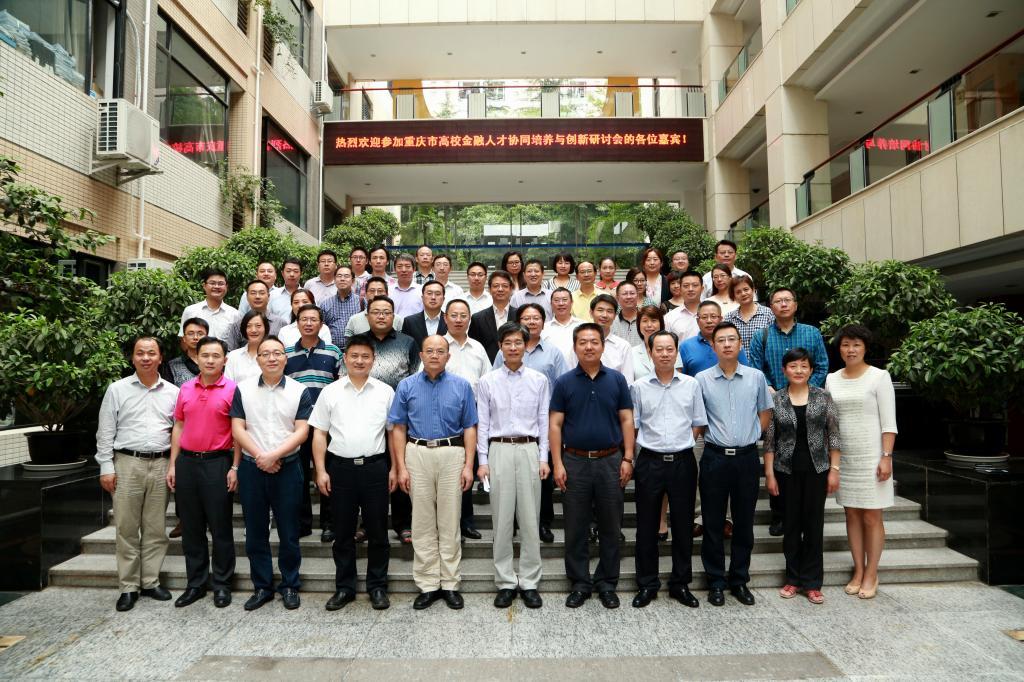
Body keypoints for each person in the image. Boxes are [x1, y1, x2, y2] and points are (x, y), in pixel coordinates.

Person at [389, 335, 479, 610]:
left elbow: (470, 427)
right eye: (429, 350)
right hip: (417, 453)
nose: (435, 355)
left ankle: (450, 583)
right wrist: (401, 467)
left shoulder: (462, 386)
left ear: (448, 357)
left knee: (450, 520)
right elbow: (398, 428)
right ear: (421, 355)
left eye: (441, 351)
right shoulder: (406, 386)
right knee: (422, 521)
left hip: (452, 453)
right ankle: (428, 584)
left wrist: (468, 465)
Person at [550, 323, 635, 609]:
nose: (589, 347)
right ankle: (580, 583)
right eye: (583, 342)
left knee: (611, 525)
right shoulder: (564, 382)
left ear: (602, 346)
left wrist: (628, 457)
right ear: (575, 347)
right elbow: (555, 424)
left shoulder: (617, 380)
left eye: (594, 342)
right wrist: (558, 463)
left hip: (610, 460)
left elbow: (627, 419)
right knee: (575, 526)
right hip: (574, 461)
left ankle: (607, 583)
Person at [310, 334, 395, 612]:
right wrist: (320, 470)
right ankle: (344, 587)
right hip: (340, 469)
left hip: (375, 468)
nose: (359, 361)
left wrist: (396, 468)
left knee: (378, 531)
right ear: (345, 359)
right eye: (354, 356)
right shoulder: (330, 392)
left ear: (373, 360)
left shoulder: (385, 392)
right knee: (343, 531)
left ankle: (377, 586)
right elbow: (319, 434)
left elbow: (393, 434)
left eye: (365, 356)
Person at [95, 337, 179, 612]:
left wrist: (173, 465)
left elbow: (177, 431)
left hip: (160, 463)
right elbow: (105, 431)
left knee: (155, 528)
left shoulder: (173, 392)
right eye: (140, 353)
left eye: (151, 353)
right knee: (127, 528)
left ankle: (151, 581)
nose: (145, 357)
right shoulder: (117, 390)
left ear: (160, 358)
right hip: (127, 463)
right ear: (132, 358)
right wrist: (106, 466)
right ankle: (128, 586)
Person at [230, 336, 313, 611]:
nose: (272, 358)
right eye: (265, 354)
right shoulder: (243, 389)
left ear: (285, 358)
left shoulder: (299, 390)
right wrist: (261, 457)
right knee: (255, 531)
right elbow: (238, 428)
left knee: (289, 531)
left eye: (277, 353)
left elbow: (302, 431)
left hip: (287, 468)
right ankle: (262, 586)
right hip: (252, 469)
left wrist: (274, 455)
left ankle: (289, 585)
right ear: (258, 359)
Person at [696, 322, 773, 607]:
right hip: (714, 457)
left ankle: (739, 579)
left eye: (732, 339)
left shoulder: (756, 377)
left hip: (746, 458)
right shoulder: (701, 379)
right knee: (712, 522)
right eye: (721, 340)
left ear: (740, 344)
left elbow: (765, 413)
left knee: (744, 522)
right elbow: (698, 418)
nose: (727, 344)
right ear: (713, 345)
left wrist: (749, 436)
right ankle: (715, 581)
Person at [630, 330, 706, 609]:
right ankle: (647, 583)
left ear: (676, 352)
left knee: (684, 525)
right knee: (646, 525)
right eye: (658, 349)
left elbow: (698, 423)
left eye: (669, 349)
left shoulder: (691, 384)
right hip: (649, 461)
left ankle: (680, 583)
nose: (664, 354)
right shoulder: (638, 387)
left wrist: (680, 444)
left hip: (683, 462)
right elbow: (634, 425)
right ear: (650, 353)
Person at [477, 323, 550, 609]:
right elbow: (483, 424)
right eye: (507, 342)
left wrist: (543, 458)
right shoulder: (487, 381)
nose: (513, 347)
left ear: (526, 345)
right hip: (499, 450)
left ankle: (530, 581)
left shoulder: (539, 380)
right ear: (500, 346)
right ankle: (505, 581)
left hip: (530, 448)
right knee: (502, 518)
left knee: (530, 519)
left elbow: (544, 420)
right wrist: (483, 461)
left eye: (518, 342)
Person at [764, 348, 842, 605]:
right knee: (791, 525)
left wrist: (834, 470)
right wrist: (769, 474)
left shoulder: (823, 397)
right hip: (785, 470)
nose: (798, 370)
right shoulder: (777, 399)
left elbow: (834, 435)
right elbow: (770, 441)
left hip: (817, 470)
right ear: (784, 370)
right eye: (793, 366)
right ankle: (793, 578)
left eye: (804, 366)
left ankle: (812, 582)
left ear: (811, 370)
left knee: (813, 526)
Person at [826, 325, 897, 601]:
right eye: (845, 345)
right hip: (844, 457)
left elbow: (889, 422)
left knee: (871, 516)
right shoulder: (832, 379)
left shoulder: (879, 377)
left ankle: (871, 573)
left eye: (856, 344)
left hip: (872, 456)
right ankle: (858, 570)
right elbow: (830, 423)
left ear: (865, 347)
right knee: (852, 514)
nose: (851, 350)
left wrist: (886, 457)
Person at [166, 336, 237, 609]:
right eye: (205, 355)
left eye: (215, 356)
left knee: (220, 526)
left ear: (224, 360)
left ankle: (222, 584)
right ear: (196, 358)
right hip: (187, 463)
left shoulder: (233, 390)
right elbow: (179, 426)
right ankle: (195, 583)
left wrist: (235, 467)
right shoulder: (185, 389)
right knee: (191, 527)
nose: (209, 360)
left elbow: (239, 431)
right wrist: (173, 464)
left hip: (217, 463)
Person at [347, 296, 420, 545]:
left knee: (400, 468)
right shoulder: (358, 343)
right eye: (376, 312)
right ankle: (366, 524)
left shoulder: (407, 342)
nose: (381, 316)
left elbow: (415, 379)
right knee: (369, 474)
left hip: (400, 418)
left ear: (393, 316)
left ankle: (403, 523)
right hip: (364, 416)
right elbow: (345, 375)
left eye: (386, 312)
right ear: (367, 315)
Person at [493, 303, 568, 544]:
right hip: (510, 423)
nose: (532, 322)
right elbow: (495, 384)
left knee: (542, 478)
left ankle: (543, 522)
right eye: (526, 318)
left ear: (544, 322)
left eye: (536, 318)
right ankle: (513, 524)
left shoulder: (554, 352)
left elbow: (562, 386)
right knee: (510, 484)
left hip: (544, 422)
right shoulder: (505, 351)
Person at [285, 304, 342, 542]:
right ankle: (303, 523)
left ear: (321, 324)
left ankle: (329, 523)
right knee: (298, 475)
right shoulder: (287, 353)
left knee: (327, 472)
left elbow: (341, 386)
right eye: (304, 319)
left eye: (313, 319)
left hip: (327, 425)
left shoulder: (334, 352)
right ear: (297, 323)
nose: (308, 323)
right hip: (297, 424)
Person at [749, 288, 829, 392]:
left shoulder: (812, 333)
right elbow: (756, 369)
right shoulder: (760, 336)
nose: (783, 304)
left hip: (808, 396)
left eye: (787, 300)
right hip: (773, 396)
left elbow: (822, 366)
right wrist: (768, 388)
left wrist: (808, 388)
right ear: (771, 308)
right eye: (778, 301)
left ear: (795, 305)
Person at [572, 294, 635, 382]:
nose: (605, 315)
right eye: (600, 310)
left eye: (609, 311)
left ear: (615, 316)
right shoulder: (580, 344)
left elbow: (627, 381)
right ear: (591, 313)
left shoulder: (623, 346)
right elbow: (572, 375)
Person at [680, 301, 750, 376]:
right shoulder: (686, 346)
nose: (709, 321)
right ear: (698, 321)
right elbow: (682, 378)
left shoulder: (732, 344)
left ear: (721, 319)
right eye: (704, 317)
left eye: (713, 316)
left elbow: (745, 372)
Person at [179, 268, 241, 349]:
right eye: (212, 283)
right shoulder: (190, 311)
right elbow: (183, 340)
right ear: (204, 286)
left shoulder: (235, 314)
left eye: (221, 283)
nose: (216, 286)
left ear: (226, 287)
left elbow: (238, 343)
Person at [469, 270, 518, 363]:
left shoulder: (520, 315)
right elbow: (474, 347)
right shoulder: (478, 318)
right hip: (487, 367)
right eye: (496, 286)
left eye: (505, 286)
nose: (500, 289)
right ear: (489, 289)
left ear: (511, 289)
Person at [442, 299, 490, 387]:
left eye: (463, 316)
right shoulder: (436, 345)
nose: (458, 320)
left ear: (470, 318)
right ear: (445, 318)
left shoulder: (478, 347)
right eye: (454, 315)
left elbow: (488, 380)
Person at [631, 305, 682, 381]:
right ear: (639, 325)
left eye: (653, 320)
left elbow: (677, 380)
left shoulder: (671, 349)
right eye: (645, 321)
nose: (649, 325)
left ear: (661, 324)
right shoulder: (632, 352)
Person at [724, 275, 774, 352]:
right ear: (734, 296)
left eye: (746, 289)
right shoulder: (729, 318)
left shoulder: (768, 313)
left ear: (753, 290)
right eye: (738, 292)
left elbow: (774, 340)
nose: (743, 294)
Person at [320, 265, 362, 351]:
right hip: (333, 351)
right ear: (334, 280)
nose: (342, 279)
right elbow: (322, 329)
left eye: (346, 276)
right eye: (339, 276)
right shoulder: (325, 304)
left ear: (353, 280)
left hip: (357, 350)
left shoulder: (361, 302)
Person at [402, 280, 448, 351]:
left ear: (443, 299)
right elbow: (405, 349)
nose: (433, 297)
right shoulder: (409, 322)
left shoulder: (450, 321)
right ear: (422, 297)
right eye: (429, 293)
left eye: (437, 294)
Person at [544, 287, 585, 366]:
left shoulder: (583, 326)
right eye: (556, 300)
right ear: (551, 304)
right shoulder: (544, 329)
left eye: (565, 299)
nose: (561, 303)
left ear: (572, 303)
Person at [226, 311, 268, 384]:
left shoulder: (272, 356)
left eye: (258, 326)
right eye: (249, 326)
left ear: (265, 328)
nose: (253, 330)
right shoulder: (233, 356)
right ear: (244, 329)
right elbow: (228, 385)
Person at [166, 317, 208, 387]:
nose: (195, 337)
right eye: (191, 334)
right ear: (184, 338)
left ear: (207, 337)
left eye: (200, 334)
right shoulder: (173, 365)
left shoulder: (216, 362)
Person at [664, 270, 702, 342]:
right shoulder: (669, 317)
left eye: (695, 285)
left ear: (702, 289)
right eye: (686, 286)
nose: (690, 289)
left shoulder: (713, 314)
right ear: (680, 289)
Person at [390, 254, 424, 318]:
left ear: (414, 269)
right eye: (399, 266)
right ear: (394, 269)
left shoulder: (422, 290)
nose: (404, 270)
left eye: (408, 266)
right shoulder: (388, 291)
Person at [609, 281, 642, 347]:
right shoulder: (611, 322)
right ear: (617, 298)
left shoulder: (645, 320)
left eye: (632, 293)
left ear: (638, 296)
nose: (629, 297)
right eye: (624, 294)